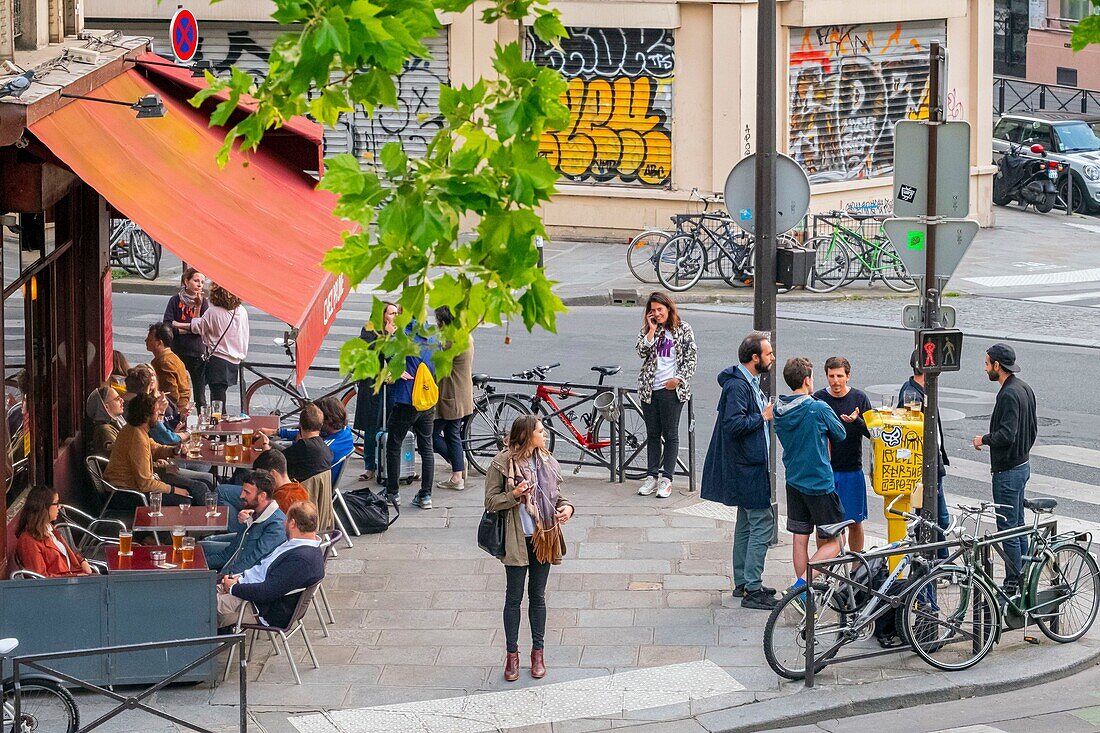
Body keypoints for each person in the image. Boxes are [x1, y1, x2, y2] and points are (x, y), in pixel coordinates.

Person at [484, 415, 574, 682]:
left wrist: (567, 508)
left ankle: (538, 653)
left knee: (538, 597)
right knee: (513, 598)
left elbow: (558, 495)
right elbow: (490, 502)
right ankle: (512, 656)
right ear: (526, 435)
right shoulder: (502, 464)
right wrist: (514, 495)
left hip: (543, 536)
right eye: (540, 431)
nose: (544, 435)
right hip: (515, 538)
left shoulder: (547, 461)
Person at [701, 332, 778, 610]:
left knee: (746, 523)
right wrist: (763, 416)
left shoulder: (746, 383)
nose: (772, 358)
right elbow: (733, 425)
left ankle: (743, 582)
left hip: (746, 465)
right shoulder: (738, 387)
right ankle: (753, 588)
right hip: (747, 467)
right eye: (768, 354)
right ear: (754, 357)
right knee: (762, 523)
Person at [774, 357, 847, 594]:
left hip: (794, 480)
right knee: (837, 541)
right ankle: (800, 586)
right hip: (819, 482)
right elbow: (840, 434)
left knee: (800, 537)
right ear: (807, 380)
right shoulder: (817, 407)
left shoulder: (778, 408)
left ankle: (803, 595)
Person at [972, 343, 1038, 594]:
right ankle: (1026, 575)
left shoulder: (1009, 393)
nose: (985, 367)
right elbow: (1032, 429)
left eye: (987, 363)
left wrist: (983, 440)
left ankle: (1014, 582)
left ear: (998, 366)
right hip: (1022, 465)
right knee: (1019, 524)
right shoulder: (1024, 388)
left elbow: (1007, 434)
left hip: (1008, 471)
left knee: (1007, 529)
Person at [216, 500, 325, 630]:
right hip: (244, 585)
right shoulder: (299, 544)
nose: (283, 522)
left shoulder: (301, 560)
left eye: (286, 519)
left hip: (255, 606)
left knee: (198, 607)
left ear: (293, 523)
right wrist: (237, 579)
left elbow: (267, 592)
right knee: (197, 592)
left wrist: (233, 587)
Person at [635, 292, 697, 499]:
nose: (656, 314)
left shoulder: (683, 329)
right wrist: (651, 331)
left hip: (671, 390)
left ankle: (667, 479)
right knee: (652, 434)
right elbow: (641, 352)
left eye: (660, 310)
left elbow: (691, 358)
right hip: (649, 389)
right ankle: (651, 476)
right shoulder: (649, 330)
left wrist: (678, 379)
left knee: (670, 435)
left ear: (668, 308)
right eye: (652, 311)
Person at [813, 357, 873, 552]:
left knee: (855, 521)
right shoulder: (818, 398)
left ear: (848, 376)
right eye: (831, 376)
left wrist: (857, 421)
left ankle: (857, 566)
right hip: (825, 471)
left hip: (851, 470)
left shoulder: (859, 398)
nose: (835, 381)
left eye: (840, 376)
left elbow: (873, 434)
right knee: (824, 526)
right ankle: (825, 568)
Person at [898, 350, 952, 558]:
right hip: (925, 463)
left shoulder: (921, 389)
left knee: (937, 516)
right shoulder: (912, 394)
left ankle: (939, 561)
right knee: (935, 517)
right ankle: (938, 563)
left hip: (932, 459)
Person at [104, 392, 192, 506]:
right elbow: (145, 483)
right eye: (156, 411)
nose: (159, 413)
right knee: (185, 500)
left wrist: (174, 450)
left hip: (129, 489)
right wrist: (173, 490)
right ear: (146, 416)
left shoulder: (135, 429)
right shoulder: (136, 437)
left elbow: (155, 449)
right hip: (124, 494)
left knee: (189, 489)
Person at [386, 323, 437, 510]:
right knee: (427, 448)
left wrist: (390, 335)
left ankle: (392, 492)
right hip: (427, 399)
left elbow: (391, 359)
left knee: (393, 445)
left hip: (406, 400)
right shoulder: (433, 336)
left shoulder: (403, 336)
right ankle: (425, 495)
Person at [201, 469, 288, 576]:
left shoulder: (276, 525)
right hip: (225, 574)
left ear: (262, 496)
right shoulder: (253, 515)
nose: (241, 495)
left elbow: (254, 562)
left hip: (237, 583)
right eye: (243, 490)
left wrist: (226, 578)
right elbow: (227, 554)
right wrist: (197, 566)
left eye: (247, 492)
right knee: (198, 551)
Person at [178, 283, 249, 409]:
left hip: (218, 360)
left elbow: (196, 327)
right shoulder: (241, 311)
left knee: (217, 400)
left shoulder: (213, 312)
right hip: (235, 359)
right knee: (221, 398)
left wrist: (197, 307)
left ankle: (218, 426)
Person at [354, 301, 398, 481]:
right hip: (372, 384)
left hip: (389, 384)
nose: (396, 317)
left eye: (396, 313)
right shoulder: (369, 330)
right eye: (392, 313)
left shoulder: (396, 331)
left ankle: (392, 464)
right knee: (372, 426)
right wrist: (386, 337)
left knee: (391, 424)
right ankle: (370, 466)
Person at [216, 449, 310, 531]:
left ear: (272, 474)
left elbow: (267, 527)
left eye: (262, 476)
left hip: (254, 532)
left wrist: (248, 519)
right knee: (222, 491)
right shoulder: (299, 488)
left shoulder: (283, 500)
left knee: (220, 492)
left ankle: (235, 532)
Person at [433, 306, 474, 491]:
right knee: (452, 433)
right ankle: (458, 468)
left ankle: (458, 470)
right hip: (461, 393)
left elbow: (437, 365)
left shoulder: (451, 341)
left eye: (438, 322)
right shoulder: (465, 335)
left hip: (451, 394)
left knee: (431, 435)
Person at [15, 486, 93, 577]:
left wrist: (82, 561)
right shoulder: (28, 541)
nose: (59, 507)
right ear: (44, 507)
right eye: (56, 503)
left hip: (75, 577)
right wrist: (73, 577)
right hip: (62, 586)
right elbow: (41, 578)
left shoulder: (49, 528)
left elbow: (67, 552)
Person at [164, 268, 210, 408]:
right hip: (178, 352)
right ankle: (176, 421)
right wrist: (189, 328)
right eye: (196, 281)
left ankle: (202, 421)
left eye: (202, 282)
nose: (199, 285)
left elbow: (202, 328)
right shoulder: (175, 300)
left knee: (200, 395)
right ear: (186, 281)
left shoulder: (203, 303)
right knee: (176, 391)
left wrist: (179, 325)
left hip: (197, 353)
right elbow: (167, 324)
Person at [257, 404, 333, 482]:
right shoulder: (326, 448)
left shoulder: (304, 447)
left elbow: (269, 462)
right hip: (310, 489)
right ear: (321, 425)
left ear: (300, 424)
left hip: (292, 487)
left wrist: (265, 445)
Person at [146, 322, 192, 416]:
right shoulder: (174, 358)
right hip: (180, 409)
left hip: (172, 413)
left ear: (159, 343)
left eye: (150, 339)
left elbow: (172, 395)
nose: (146, 340)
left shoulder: (163, 363)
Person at [85, 384, 125, 459]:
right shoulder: (105, 429)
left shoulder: (111, 425)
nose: (122, 400)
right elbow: (119, 456)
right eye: (117, 399)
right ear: (105, 407)